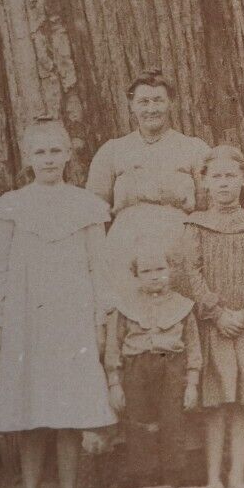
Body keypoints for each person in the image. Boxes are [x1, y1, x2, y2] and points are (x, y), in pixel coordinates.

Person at [0, 118, 116, 488]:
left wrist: (100, 321)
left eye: (56, 151)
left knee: (68, 409)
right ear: (28, 158)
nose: (49, 159)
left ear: (69, 154)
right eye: (40, 152)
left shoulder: (85, 206)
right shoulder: (12, 206)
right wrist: (1, 323)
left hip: (72, 317)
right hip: (27, 320)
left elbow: (99, 266)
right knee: (32, 408)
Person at [177, 144, 244, 488]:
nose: (223, 184)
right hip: (213, 327)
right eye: (216, 177)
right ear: (203, 181)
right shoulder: (195, 225)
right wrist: (218, 314)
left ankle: (236, 474)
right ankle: (212, 479)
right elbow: (191, 273)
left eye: (230, 176)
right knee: (216, 401)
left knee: (242, 403)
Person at [85, 69, 210, 311]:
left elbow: (207, 206)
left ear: (170, 103)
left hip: (178, 252)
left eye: (158, 101)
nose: (151, 109)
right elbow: (94, 213)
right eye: (143, 102)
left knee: (177, 320)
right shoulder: (113, 151)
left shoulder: (194, 149)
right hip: (125, 250)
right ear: (131, 105)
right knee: (130, 323)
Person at [104, 247, 201, 488]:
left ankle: (173, 480)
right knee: (138, 424)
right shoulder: (125, 307)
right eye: (146, 271)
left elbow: (193, 347)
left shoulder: (183, 306)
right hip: (136, 368)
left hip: (172, 368)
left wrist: (192, 384)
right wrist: (115, 383)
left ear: (171, 269)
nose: (154, 275)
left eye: (160, 269)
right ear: (135, 275)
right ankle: (145, 481)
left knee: (173, 422)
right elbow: (113, 347)